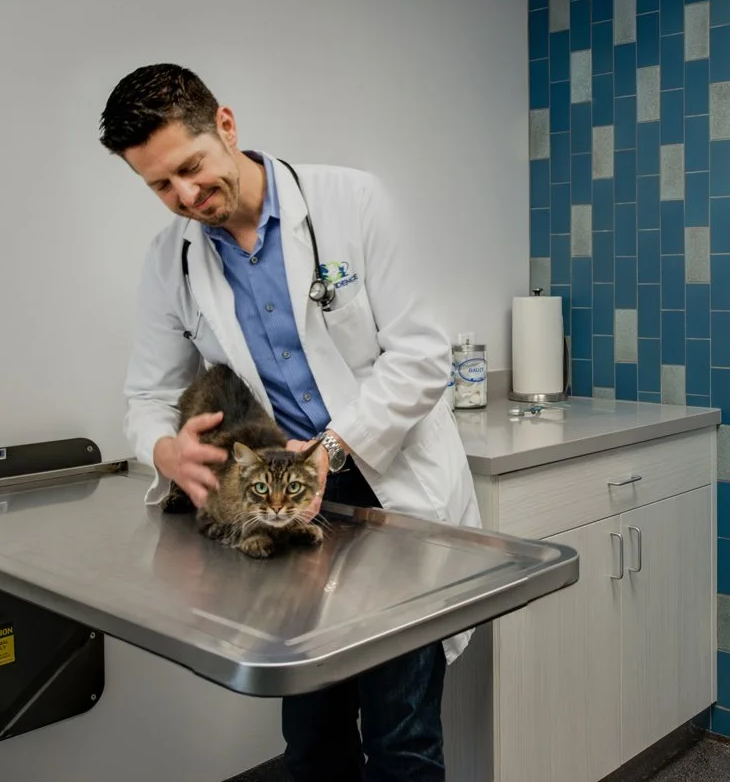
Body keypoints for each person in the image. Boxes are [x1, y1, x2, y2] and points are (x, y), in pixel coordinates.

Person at [97, 63, 480, 782]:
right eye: (158, 185)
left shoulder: (351, 201)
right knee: (312, 733)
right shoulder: (171, 262)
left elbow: (424, 356)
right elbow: (146, 393)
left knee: (400, 737)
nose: (183, 196)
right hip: (291, 519)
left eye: (189, 166)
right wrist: (164, 449)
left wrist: (330, 452)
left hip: (391, 499)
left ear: (227, 127)